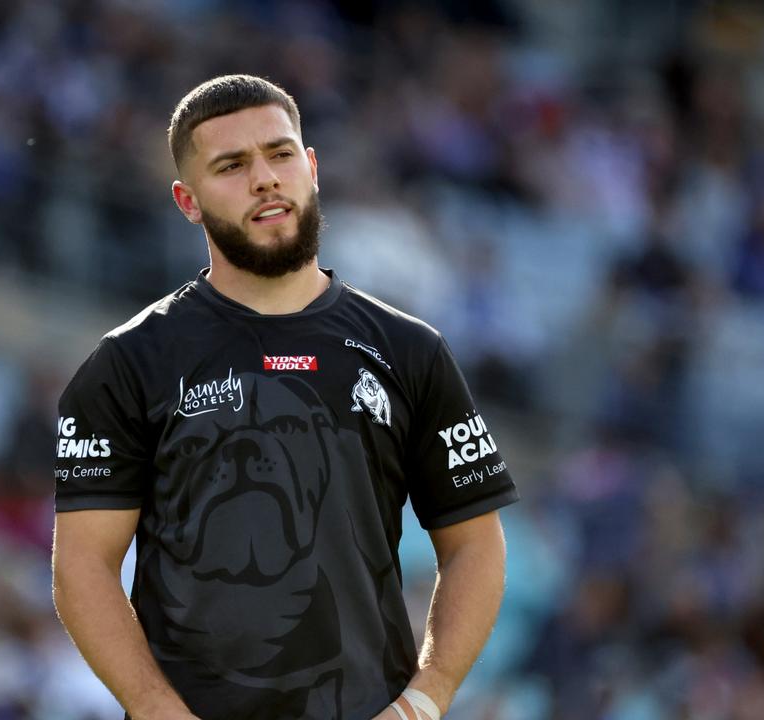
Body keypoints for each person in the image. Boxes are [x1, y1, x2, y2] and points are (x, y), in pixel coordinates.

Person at [51, 74, 518, 720]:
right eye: (232, 166)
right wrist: (156, 708)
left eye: (280, 154)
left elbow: (476, 543)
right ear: (188, 201)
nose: (265, 178)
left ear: (312, 167)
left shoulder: (412, 352)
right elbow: (82, 566)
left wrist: (425, 698)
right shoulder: (129, 362)